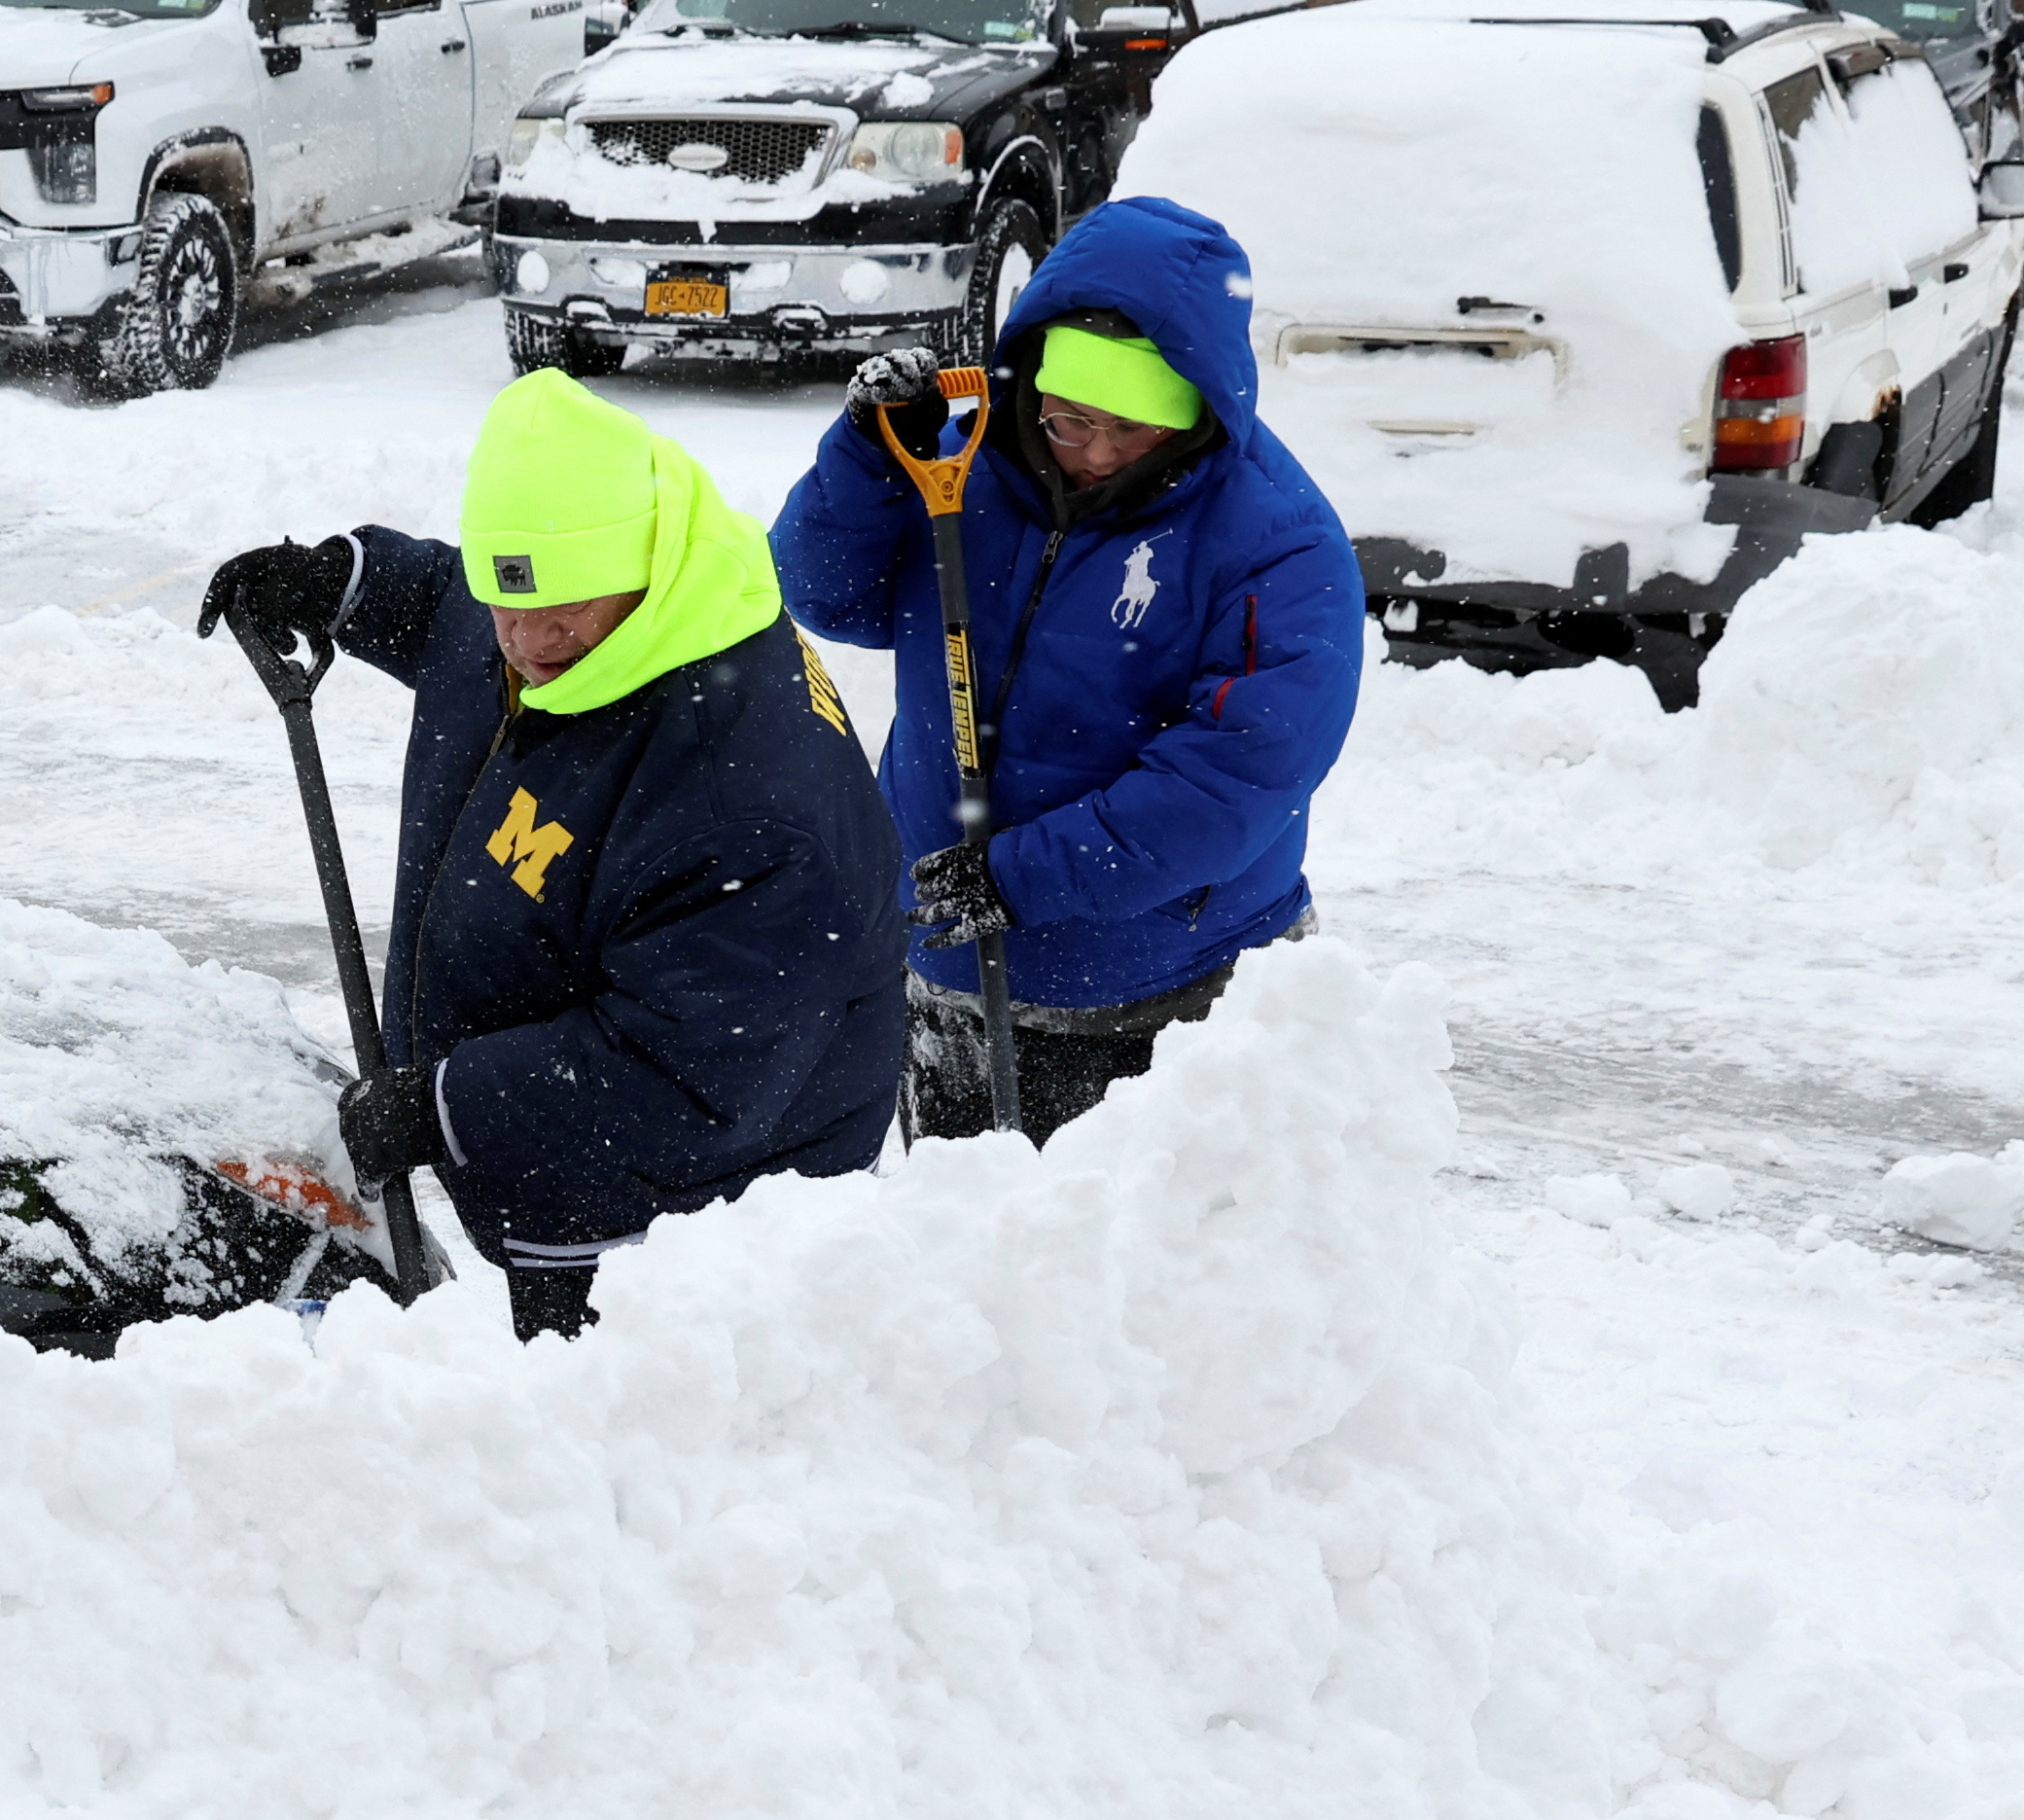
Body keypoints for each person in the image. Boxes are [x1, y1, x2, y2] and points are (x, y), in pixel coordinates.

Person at [201, 372, 906, 1339]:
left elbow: (679, 1073)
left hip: (694, 1230)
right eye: (508, 596)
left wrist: (440, 1106)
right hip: (574, 1170)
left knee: (623, 1468)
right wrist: (345, 582)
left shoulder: (734, 791)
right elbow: (460, 603)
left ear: (644, 565)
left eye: (556, 608)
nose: (525, 641)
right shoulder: (586, 607)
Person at [771, 196, 1366, 1144]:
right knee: (961, 1262)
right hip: (948, 965)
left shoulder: (1277, 544)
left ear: (1194, 412)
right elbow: (823, 594)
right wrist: (865, 458)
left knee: (1152, 1278)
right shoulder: (958, 455)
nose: (1092, 454)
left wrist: (1022, 878)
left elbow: (1234, 776)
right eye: (1067, 422)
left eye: (1130, 432)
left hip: (1165, 994)